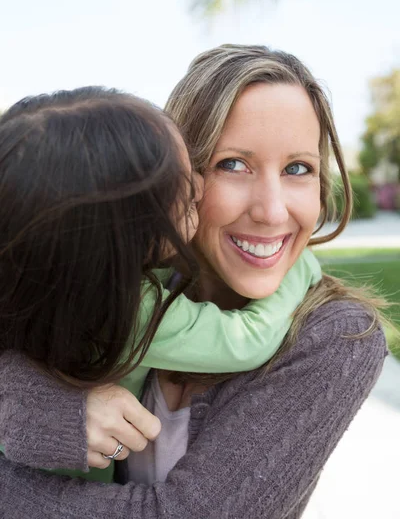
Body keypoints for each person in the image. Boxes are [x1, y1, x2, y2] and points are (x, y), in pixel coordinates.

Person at [0, 45, 387, 519]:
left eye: (298, 168)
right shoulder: (122, 286)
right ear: (177, 175)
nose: (271, 211)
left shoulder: (337, 336)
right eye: (233, 164)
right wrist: (47, 412)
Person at [0, 85, 321, 484]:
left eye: (298, 168)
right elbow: (246, 339)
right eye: (186, 190)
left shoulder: (35, 280)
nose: (201, 191)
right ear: (129, 231)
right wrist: (300, 270)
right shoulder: (133, 307)